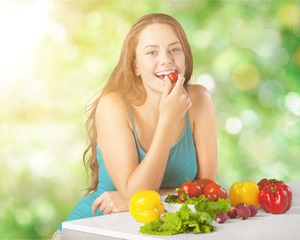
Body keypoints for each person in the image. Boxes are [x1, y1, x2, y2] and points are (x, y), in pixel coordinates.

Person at [52, 12, 217, 239]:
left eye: (174, 50)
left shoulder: (199, 100)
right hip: (97, 228)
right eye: (152, 52)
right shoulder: (113, 106)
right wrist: (167, 121)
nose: (166, 59)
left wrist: (139, 200)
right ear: (136, 65)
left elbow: (208, 190)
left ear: (185, 58)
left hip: (159, 230)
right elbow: (136, 195)